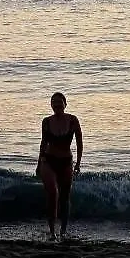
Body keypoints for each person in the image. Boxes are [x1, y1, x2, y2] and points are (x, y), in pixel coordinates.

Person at [36, 92, 83, 241]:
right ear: (51, 105)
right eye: (53, 102)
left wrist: (78, 163)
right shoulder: (46, 121)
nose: (56, 105)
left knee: (65, 196)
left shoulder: (73, 120)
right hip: (48, 161)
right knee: (53, 193)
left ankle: (63, 230)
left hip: (66, 161)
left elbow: (79, 143)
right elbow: (43, 143)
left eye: (59, 102)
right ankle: (52, 232)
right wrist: (39, 163)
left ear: (65, 104)